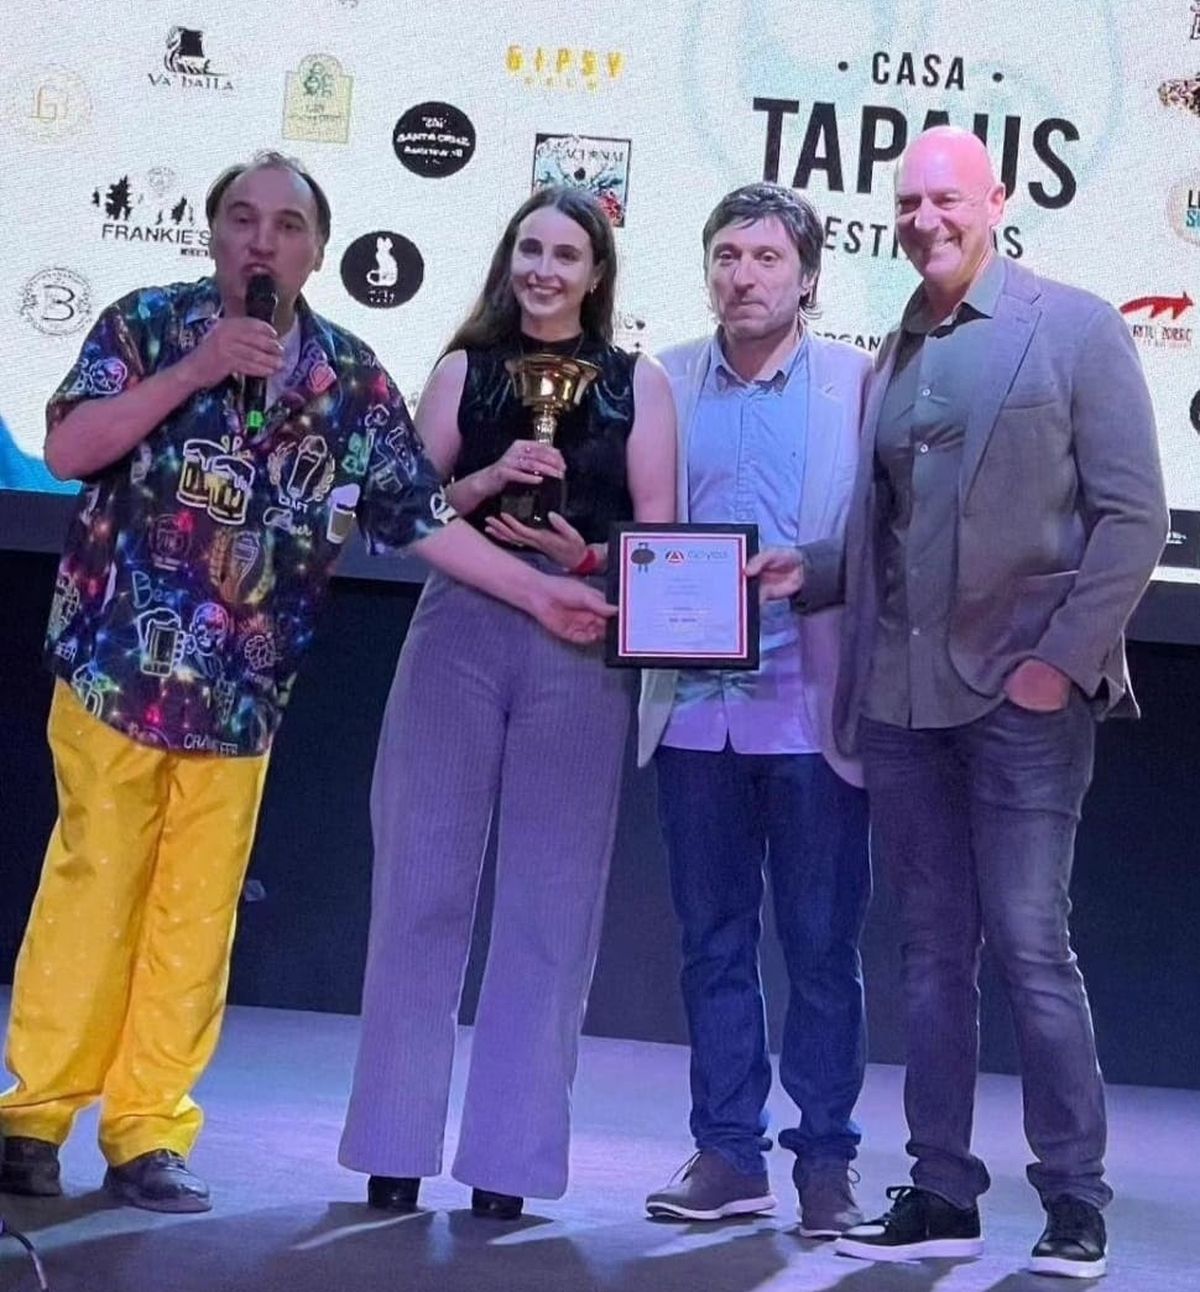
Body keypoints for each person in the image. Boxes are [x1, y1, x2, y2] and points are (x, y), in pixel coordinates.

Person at [0, 153, 613, 1215]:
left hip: (242, 693)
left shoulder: (353, 379)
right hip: (116, 665)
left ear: (317, 251)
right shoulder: (147, 323)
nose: (261, 241)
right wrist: (192, 372)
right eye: (242, 219)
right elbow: (67, 445)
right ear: (213, 235)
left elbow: (421, 519)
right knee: (94, 882)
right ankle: (33, 1112)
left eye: (286, 225)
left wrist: (537, 595)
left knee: (197, 913)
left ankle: (148, 1127)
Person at [752, 127, 1168, 1278]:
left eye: (945, 197)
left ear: (997, 199)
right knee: (932, 954)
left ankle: (1075, 1197)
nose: (925, 217)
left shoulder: (1074, 325)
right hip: (903, 703)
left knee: (1033, 949)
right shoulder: (897, 347)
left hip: (1026, 703)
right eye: (907, 202)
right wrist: (814, 570)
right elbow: (898, 527)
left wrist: (1059, 661)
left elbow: (1134, 518)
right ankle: (941, 1185)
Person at [338, 185, 675, 1220]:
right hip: (459, 631)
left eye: (566, 252)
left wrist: (591, 558)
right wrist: (486, 480)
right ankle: (392, 1144)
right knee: (420, 889)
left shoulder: (641, 384)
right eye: (529, 246)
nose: (543, 267)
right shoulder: (459, 369)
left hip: (580, 643)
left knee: (551, 907)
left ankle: (510, 1164)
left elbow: (662, 539)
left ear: (597, 272)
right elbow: (394, 511)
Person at [636, 184, 871, 1236]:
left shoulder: (861, 386)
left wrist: (811, 569)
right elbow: (637, 530)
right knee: (712, 939)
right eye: (726, 254)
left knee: (822, 943)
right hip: (692, 711)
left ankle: (827, 1160)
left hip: (810, 706)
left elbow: (889, 541)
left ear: (808, 276)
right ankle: (730, 1153)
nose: (743, 275)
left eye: (767, 258)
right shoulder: (661, 381)